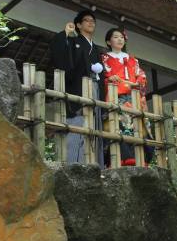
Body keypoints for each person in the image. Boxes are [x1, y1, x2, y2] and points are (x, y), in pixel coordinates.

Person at [49, 9, 106, 164]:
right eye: (87, 20)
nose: (91, 23)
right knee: (78, 124)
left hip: (95, 88)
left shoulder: (96, 48)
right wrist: (65, 34)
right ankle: (74, 164)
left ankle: (94, 164)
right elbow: (62, 56)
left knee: (94, 127)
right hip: (79, 88)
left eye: (93, 21)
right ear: (79, 25)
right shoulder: (75, 41)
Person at [100, 27, 152, 166]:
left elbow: (141, 77)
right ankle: (121, 158)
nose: (119, 39)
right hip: (115, 97)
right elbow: (103, 78)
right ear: (108, 41)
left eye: (122, 37)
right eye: (116, 37)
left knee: (138, 127)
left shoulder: (132, 60)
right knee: (118, 127)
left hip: (134, 99)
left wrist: (135, 84)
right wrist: (112, 80)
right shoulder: (104, 58)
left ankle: (140, 158)